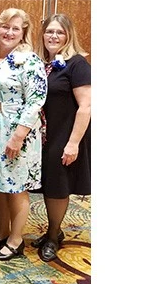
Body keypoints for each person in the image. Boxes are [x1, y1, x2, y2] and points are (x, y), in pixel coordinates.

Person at [0, 8, 47, 261]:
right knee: (0, 184)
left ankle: (15, 239)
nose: (9, 32)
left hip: (17, 129)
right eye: (5, 26)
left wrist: (18, 136)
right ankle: (1, 232)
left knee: (16, 187)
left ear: (23, 33)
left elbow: (36, 100)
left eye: (15, 28)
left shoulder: (29, 60)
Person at [31, 13, 91, 262]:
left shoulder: (76, 64)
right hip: (43, 135)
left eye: (59, 32)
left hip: (64, 134)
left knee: (57, 186)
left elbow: (86, 106)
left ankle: (53, 236)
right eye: (49, 31)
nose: (53, 36)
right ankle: (52, 230)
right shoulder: (40, 63)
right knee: (47, 184)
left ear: (68, 36)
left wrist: (73, 143)